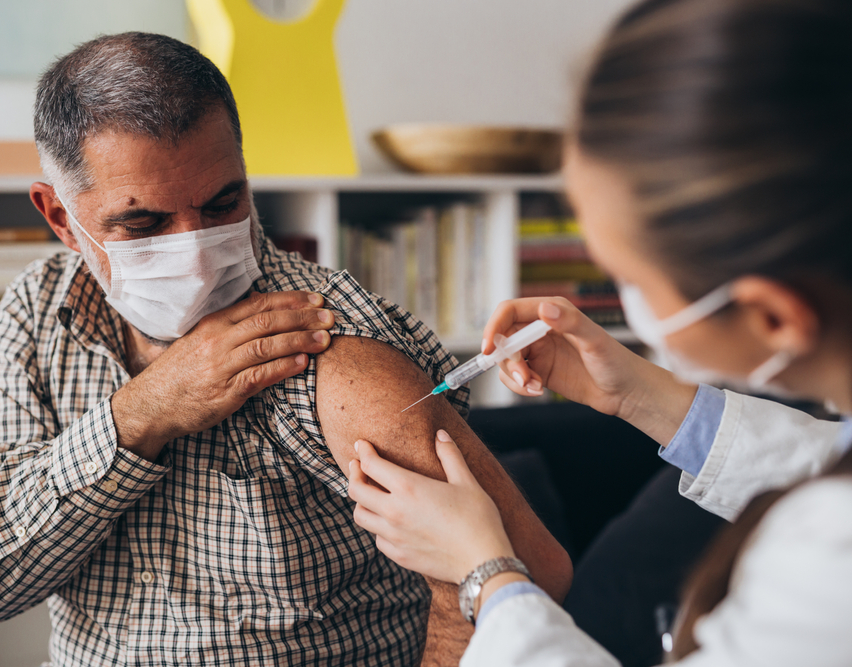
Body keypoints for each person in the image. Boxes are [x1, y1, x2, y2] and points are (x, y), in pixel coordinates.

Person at [0, 32, 571, 666]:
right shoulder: (43, 306)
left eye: (222, 203)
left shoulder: (329, 340)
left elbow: (522, 579)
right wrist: (141, 414)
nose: (197, 256)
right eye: (145, 224)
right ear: (60, 218)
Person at [347, 0, 852, 664]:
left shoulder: (823, 563)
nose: (619, 299)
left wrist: (483, 571)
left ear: (773, 315)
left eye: (628, 274)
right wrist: (642, 396)